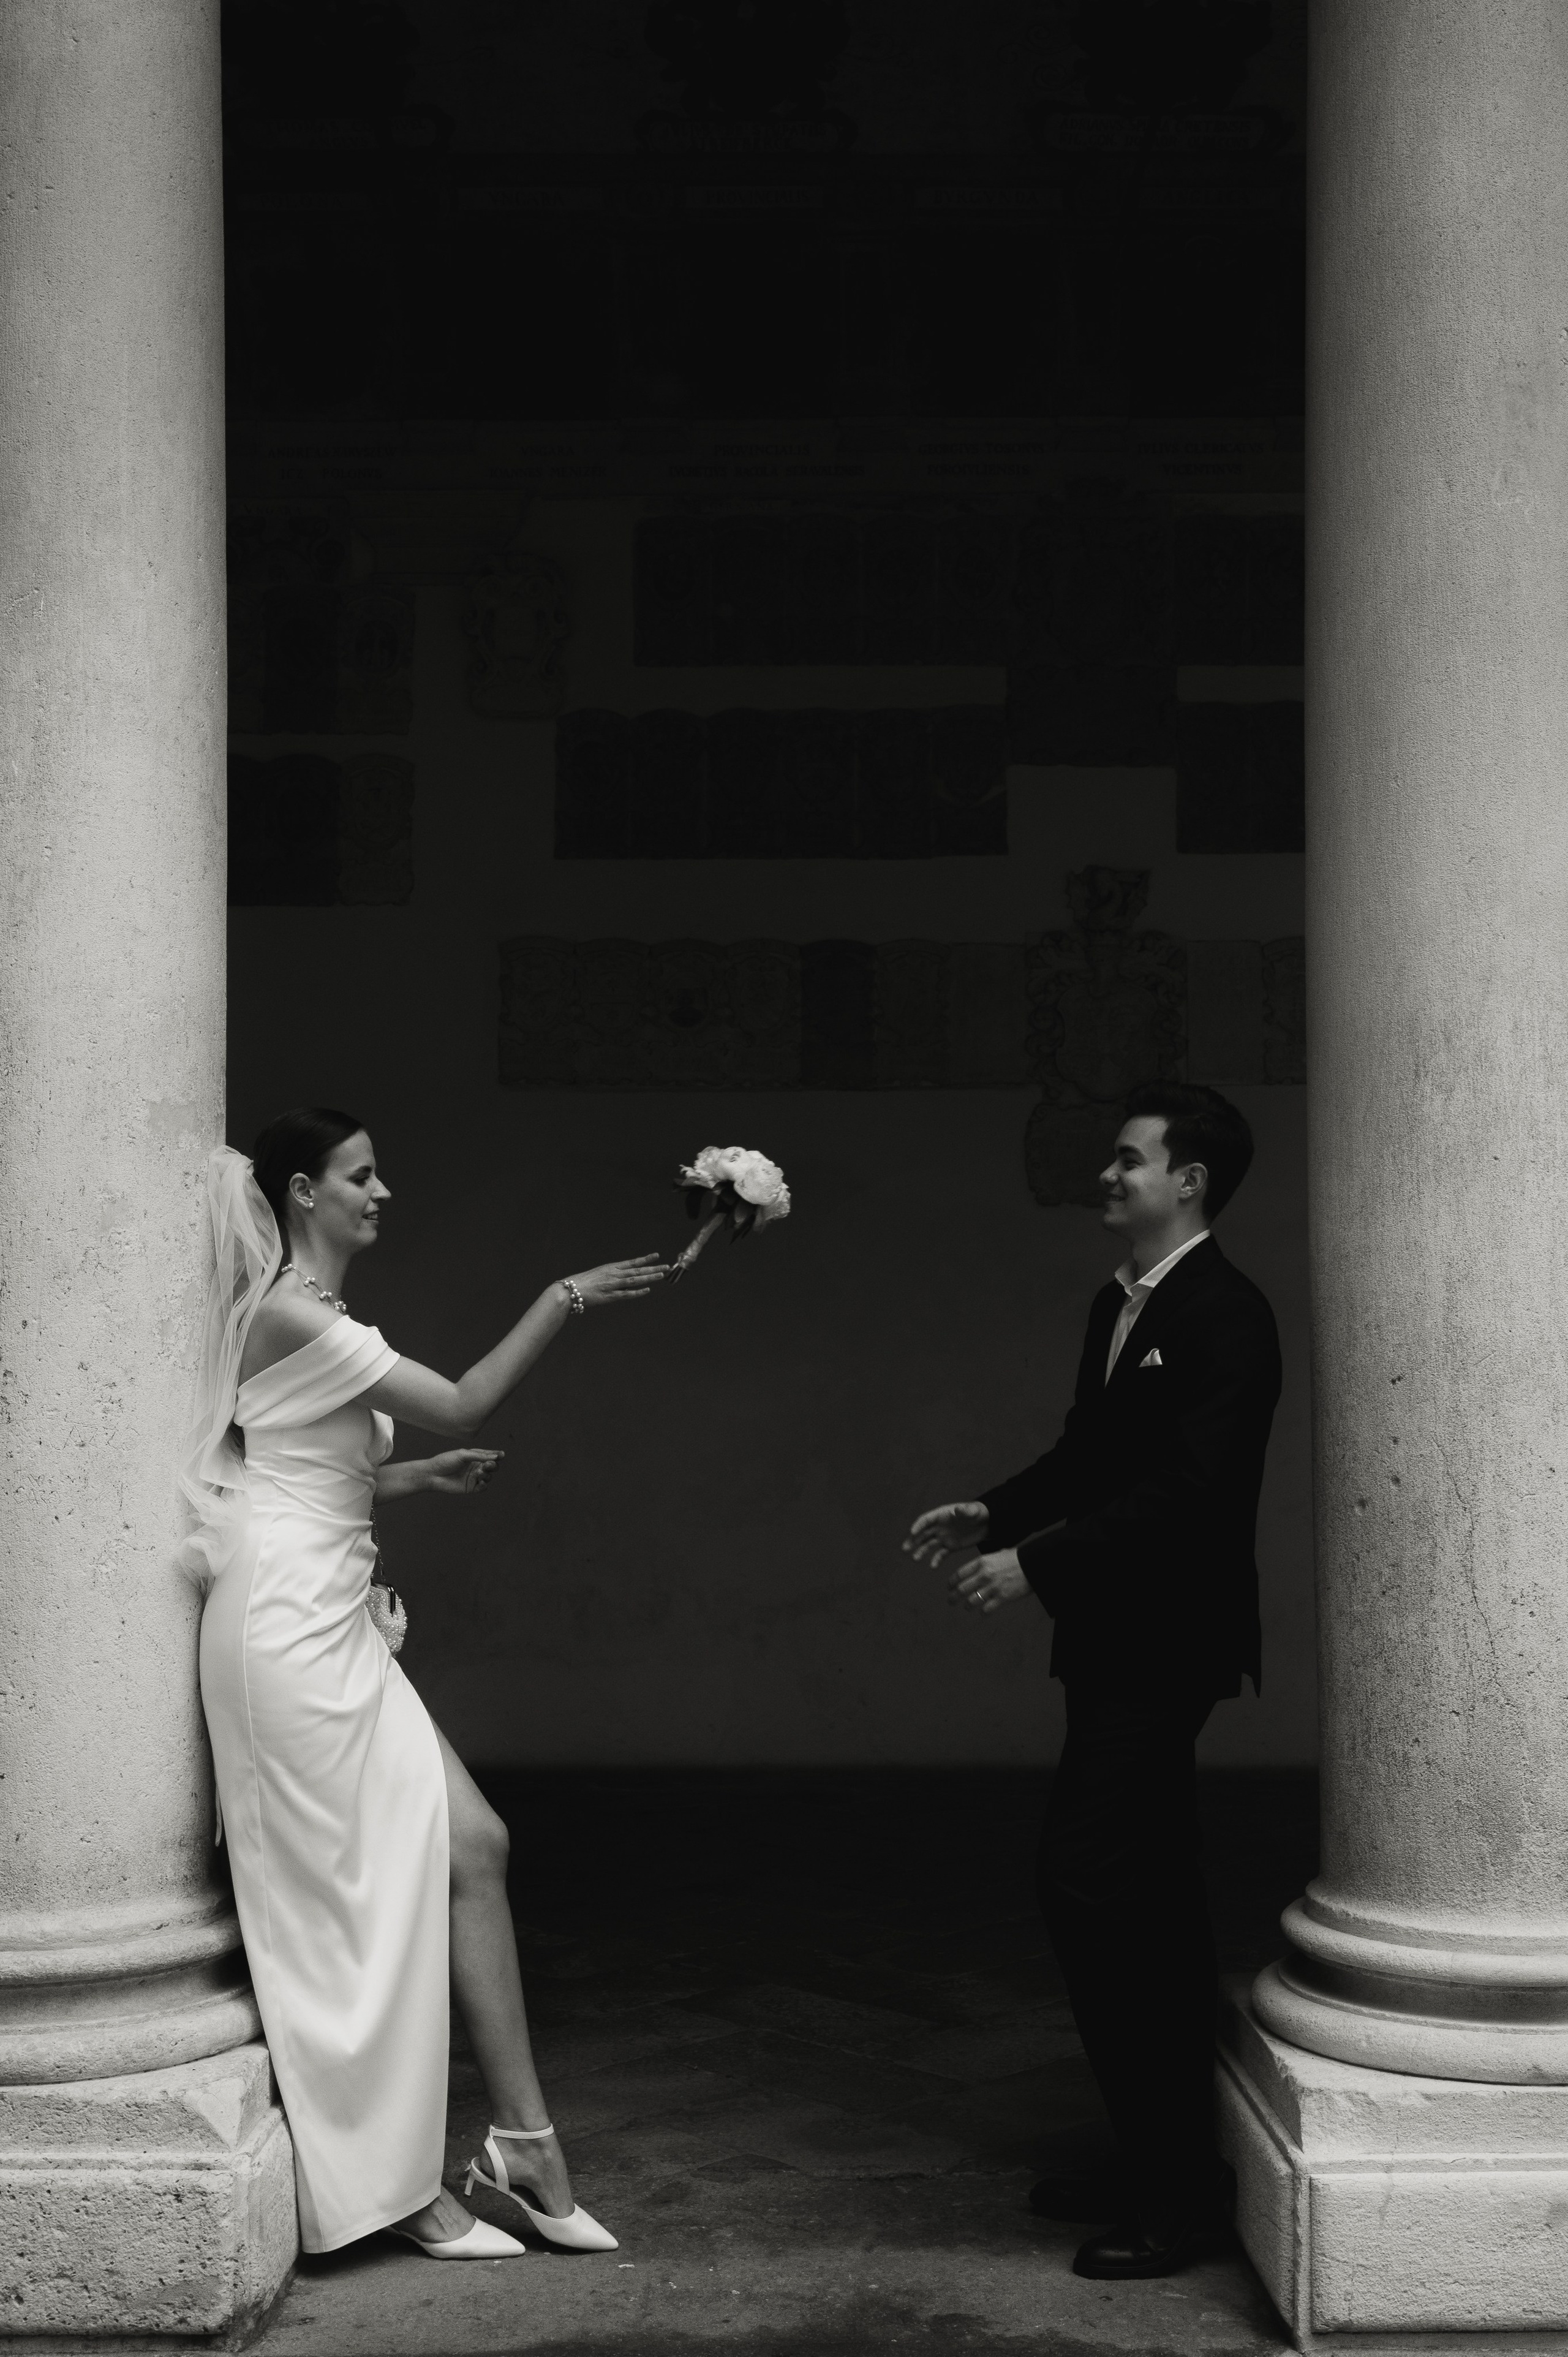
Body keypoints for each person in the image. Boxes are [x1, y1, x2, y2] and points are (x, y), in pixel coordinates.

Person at [182, 1108, 666, 2261]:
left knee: (475, 1846)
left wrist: (411, 1482)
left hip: (333, 1616)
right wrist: (566, 1296)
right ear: (304, 1192)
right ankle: (390, 2190)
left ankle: (522, 2144)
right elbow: (462, 1397)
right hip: (286, 1635)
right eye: (362, 1174)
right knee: (337, 1915)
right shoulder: (290, 1311)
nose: (382, 1190)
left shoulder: (321, 1319)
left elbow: (295, 1467)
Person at [904, 1081, 1281, 2282]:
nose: (1107, 1175)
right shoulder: (1117, 1302)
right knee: (1147, 1898)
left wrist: (1032, 1565)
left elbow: (1190, 1494)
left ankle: (1174, 2197)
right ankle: (1156, 2161)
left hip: (1166, 1642)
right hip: (1112, 1639)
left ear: (1190, 1182)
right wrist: (994, 1510)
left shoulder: (1228, 1314)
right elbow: (1093, 1452)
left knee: (1088, 1881)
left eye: (1129, 1160)